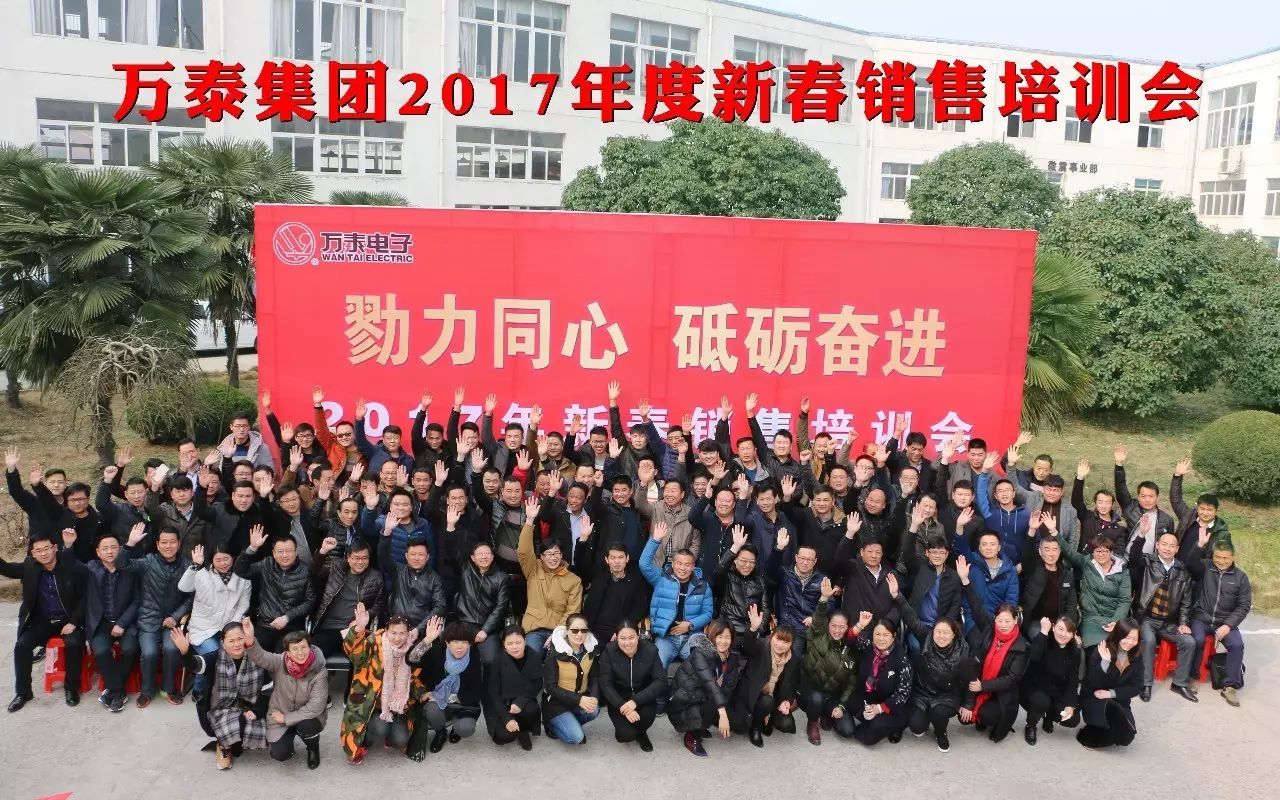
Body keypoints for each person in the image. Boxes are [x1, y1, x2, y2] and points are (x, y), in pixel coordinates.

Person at [62, 528, 139, 712]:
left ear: (120, 549)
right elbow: (70, 566)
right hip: (100, 623)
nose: (110, 551)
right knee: (102, 651)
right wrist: (68, 546)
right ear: (98, 552)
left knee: (130, 649)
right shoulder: (91, 568)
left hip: (125, 622)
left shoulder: (130, 569)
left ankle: (113, 691)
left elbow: (137, 601)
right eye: (105, 548)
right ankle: (118, 692)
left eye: (114, 547)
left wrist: (122, 623)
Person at [891, 573, 970, 753]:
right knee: (917, 727)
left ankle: (941, 733)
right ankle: (924, 717)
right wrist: (897, 596)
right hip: (923, 692)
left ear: (954, 635)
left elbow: (969, 679)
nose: (941, 636)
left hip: (947, 696)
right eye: (938, 632)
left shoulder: (962, 651)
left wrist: (968, 704)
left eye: (946, 633)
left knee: (938, 713)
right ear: (932, 632)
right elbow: (912, 619)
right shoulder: (926, 637)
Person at [172, 622, 268, 770]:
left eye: (240, 638)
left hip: (251, 706)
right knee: (235, 728)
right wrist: (185, 652)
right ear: (223, 643)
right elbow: (197, 664)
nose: (237, 644)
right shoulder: (216, 657)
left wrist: (257, 709)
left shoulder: (257, 655)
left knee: (267, 730)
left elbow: (269, 686)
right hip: (223, 709)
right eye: (231, 640)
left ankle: (235, 741)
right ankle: (223, 746)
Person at [956, 556, 1029, 744]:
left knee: (987, 716)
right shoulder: (990, 628)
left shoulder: (1021, 647)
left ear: (1015, 621)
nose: (1003, 625)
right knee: (963, 716)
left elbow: (1011, 679)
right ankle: (978, 710)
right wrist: (965, 580)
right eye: (999, 620)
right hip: (982, 684)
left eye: (1007, 621)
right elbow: (977, 606)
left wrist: (983, 686)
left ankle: (994, 721)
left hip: (1002, 694)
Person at [338, 606, 423, 764]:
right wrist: (359, 628)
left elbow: (414, 679)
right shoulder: (373, 643)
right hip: (369, 703)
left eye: (402, 633)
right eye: (393, 633)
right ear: (386, 630)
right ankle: (364, 744)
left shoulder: (410, 649)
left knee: (401, 740)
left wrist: (424, 694)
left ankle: (389, 735)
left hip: (395, 707)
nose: (397, 638)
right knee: (380, 727)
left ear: (408, 633)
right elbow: (354, 654)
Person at [119, 525, 192, 707]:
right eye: (164, 542)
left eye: (172, 542)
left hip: (172, 622)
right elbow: (122, 564)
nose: (168, 546)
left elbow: (192, 596)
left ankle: (169, 688)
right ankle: (147, 691)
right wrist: (129, 544)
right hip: (148, 620)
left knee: (171, 649)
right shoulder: (148, 562)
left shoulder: (187, 565)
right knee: (149, 653)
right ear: (158, 545)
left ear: (179, 543)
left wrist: (176, 616)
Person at [1128, 525, 1198, 703]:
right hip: (1147, 618)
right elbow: (1133, 557)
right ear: (1157, 545)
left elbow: (1186, 602)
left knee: (1189, 642)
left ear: (1177, 549)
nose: (1167, 548)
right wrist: (1141, 535)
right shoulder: (1147, 562)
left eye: (1172, 546)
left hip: (1169, 622)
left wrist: (1183, 623)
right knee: (1149, 640)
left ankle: (1179, 683)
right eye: (1164, 544)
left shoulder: (1183, 571)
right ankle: (1145, 683)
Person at [243, 621, 328, 768]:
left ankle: (313, 747)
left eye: (303, 647)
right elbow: (261, 656)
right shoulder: (279, 662)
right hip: (279, 714)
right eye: (295, 649)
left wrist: (286, 718)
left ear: (310, 648)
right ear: (288, 652)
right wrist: (250, 640)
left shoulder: (320, 671)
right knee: (280, 754)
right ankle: (288, 743)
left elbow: (316, 706)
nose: (300, 653)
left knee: (308, 725)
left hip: (306, 717)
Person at [178, 543, 250, 699]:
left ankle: (228, 692)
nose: (223, 563)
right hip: (203, 629)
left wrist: (231, 630)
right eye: (218, 560)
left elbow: (243, 606)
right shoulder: (202, 574)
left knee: (239, 651)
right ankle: (199, 691)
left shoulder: (243, 579)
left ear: (233, 558)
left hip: (229, 630)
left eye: (226, 559)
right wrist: (195, 565)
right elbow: (183, 587)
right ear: (211, 561)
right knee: (216, 656)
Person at [639, 524, 715, 668]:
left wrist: (690, 625)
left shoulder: (703, 585)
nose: (683, 568)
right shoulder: (661, 578)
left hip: (692, 637)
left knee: (704, 666)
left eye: (687, 564)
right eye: (679, 563)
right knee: (657, 667)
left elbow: (708, 614)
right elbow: (644, 564)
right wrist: (655, 540)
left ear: (693, 566)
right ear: (673, 564)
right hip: (665, 638)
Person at [1187, 539, 1251, 706]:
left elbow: (1244, 606)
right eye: (1217, 557)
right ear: (1212, 555)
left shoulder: (1241, 578)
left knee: (1237, 645)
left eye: (1225, 558)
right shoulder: (1205, 567)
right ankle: (1192, 676)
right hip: (1201, 617)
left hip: (1225, 622)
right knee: (1197, 640)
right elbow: (1190, 563)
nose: (1221, 561)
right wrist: (1199, 545)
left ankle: (1230, 686)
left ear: (1232, 557)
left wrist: (1228, 625)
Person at [667, 620, 745, 758]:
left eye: (727, 637)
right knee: (715, 704)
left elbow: (729, 686)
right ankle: (691, 736)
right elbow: (709, 682)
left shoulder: (732, 657)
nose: (723, 641)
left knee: (740, 724)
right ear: (712, 636)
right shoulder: (700, 653)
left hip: (706, 696)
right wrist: (722, 713)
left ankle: (702, 724)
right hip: (685, 699)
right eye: (719, 637)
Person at [234, 525, 316, 653]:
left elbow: (310, 601)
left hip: (291, 627)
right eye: (280, 551)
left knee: (282, 656)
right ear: (273, 553)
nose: (285, 555)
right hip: (265, 624)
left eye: (289, 551)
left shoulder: (305, 571)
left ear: (296, 552)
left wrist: (287, 617)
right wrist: (252, 548)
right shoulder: (267, 564)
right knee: (252, 651)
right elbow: (241, 571)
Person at [798, 578, 859, 745]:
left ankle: (826, 713)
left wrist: (841, 706)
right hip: (810, 692)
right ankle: (812, 723)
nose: (837, 630)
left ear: (848, 628)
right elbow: (818, 619)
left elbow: (851, 683)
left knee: (848, 731)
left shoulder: (851, 648)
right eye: (833, 625)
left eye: (842, 627)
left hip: (831, 696)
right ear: (828, 625)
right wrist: (824, 598)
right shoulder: (818, 635)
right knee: (817, 698)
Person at [517, 497, 583, 653]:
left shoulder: (574, 580)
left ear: (562, 555)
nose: (553, 558)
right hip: (534, 629)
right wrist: (529, 521)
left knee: (557, 657)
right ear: (541, 556)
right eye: (548, 554)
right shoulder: (533, 569)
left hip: (559, 630)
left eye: (556, 554)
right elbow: (523, 551)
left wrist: (558, 633)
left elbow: (572, 611)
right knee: (532, 655)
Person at [410, 619, 484, 754]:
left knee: (466, 729)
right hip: (437, 699)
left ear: (470, 644)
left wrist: (448, 698)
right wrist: (427, 640)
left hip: (462, 703)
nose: (460, 646)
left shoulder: (474, 657)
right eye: (455, 641)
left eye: (464, 642)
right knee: (431, 711)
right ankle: (440, 732)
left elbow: (476, 691)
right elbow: (412, 660)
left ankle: (456, 729)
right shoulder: (438, 651)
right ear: (447, 642)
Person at [1052, 524, 1131, 648]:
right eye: (1097, 551)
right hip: (1091, 618)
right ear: (1093, 553)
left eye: (1105, 551)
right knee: (1095, 649)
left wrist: (1116, 621)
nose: (1101, 554)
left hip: (1113, 618)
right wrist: (1054, 532)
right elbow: (1069, 552)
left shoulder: (1122, 571)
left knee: (1118, 647)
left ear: (1111, 552)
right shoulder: (1087, 563)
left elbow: (1124, 600)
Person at [734, 606, 801, 747]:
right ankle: (756, 727)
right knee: (742, 724)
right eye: (778, 639)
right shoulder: (761, 646)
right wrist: (753, 629)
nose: (780, 645)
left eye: (786, 642)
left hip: (774, 697)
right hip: (753, 693)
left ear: (791, 644)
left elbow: (791, 684)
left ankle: (767, 717)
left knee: (787, 724)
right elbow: (748, 647)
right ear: (772, 636)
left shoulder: (793, 658)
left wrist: (787, 701)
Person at [597, 620, 668, 750]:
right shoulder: (609, 651)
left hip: (643, 697)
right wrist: (622, 705)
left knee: (646, 717)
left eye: (631, 637)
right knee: (624, 736)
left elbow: (661, 680)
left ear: (638, 636)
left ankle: (642, 733)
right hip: (619, 700)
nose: (628, 643)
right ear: (616, 637)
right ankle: (631, 730)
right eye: (622, 638)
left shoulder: (650, 650)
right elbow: (605, 683)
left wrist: (635, 701)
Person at [575, 527, 651, 645]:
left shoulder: (636, 581)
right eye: (613, 558)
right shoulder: (599, 576)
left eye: (621, 557)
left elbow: (639, 609)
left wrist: (622, 630)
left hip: (620, 632)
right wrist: (583, 538)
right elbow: (580, 564)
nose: (617, 562)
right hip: (594, 631)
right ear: (607, 559)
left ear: (627, 558)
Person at [310, 538, 384, 658]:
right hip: (328, 627)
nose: (360, 562)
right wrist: (322, 552)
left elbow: (379, 604)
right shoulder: (336, 567)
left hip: (353, 629)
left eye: (364, 558)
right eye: (356, 558)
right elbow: (314, 572)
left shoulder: (375, 577)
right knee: (313, 656)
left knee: (361, 658)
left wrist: (363, 618)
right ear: (348, 558)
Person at [1077, 619, 1143, 749]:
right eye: (1127, 637)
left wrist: (1111, 693)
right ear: (1118, 634)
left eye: (1134, 639)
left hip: (1119, 700)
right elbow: (1093, 682)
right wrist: (1105, 662)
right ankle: (1090, 733)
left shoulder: (1136, 656)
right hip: (1094, 700)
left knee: (1127, 737)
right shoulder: (1102, 650)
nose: (1130, 642)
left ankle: (1106, 729)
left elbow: (1137, 686)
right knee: (1113, 711)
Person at [1020, 616, 1082, 745]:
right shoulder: (1044, 640)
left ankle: (1048, 716)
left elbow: (1073, 680)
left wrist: (1070, 705)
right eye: (1060, 629)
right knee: (1041, 701)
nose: (1063, 634)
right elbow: (1034, 656)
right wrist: (1043, 631)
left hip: (1057, 692)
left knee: (1073, 719)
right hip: (1036, 687)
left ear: (1073, 634)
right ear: (1053, 628)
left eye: (1068, 631)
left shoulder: (1074, 652)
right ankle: (1030, 725)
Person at [541, 613, 600, 745]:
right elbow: (550, 687)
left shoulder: (591, 649)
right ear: (567, 631)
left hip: (577, 698)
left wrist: (595, 696)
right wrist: (579, 700)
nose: (579, 634)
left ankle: (570, 723)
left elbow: (594, 676)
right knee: (576, 737)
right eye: (574, 630)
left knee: (594, 710)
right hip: (556, 702)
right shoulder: (555, 652)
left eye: (583, 630)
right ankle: (550, 725)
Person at [484, 626, 543, 749]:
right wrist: (507, 718)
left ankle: (523, 730)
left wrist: (520, 702)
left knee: (531, 709)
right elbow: (493, 692)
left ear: (525, 641)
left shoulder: (534, 656)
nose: (515, 647)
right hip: (502, 703)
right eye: (510, 643)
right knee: (502, 737)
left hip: (523, 699)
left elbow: (537, 684)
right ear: (504, 644)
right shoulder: (497, 661)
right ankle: (513, 725)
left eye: (518, 642)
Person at [769, 532, 824, 661]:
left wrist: (815, 617)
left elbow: (830, 603)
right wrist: (779, 548)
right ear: (796, 557)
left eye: (809, 560)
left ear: (815, 561)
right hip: (790, 625)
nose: (805, 562)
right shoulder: (785, 574)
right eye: (802, 558)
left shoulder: (821, 579)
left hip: (812, 627)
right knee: (793, 659)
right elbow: (771, 569)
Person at [454, 542, 510, 665]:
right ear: (473, 557)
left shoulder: (501, 577)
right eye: (480, 554)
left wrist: (485, 630)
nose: (484, 556)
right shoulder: (465, 569)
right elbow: (454, 551)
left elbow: (501, 607)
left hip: (488, 627)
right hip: (465, 624)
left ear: (492, 557)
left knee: (491, 660)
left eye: (487, 553)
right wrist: (451, 530)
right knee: (458, 657)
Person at [1113, 445, 1175, 553]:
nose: (1147, 500)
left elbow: (1169, 543)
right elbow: (1120, 487)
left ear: (1157, 497)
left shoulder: (1167, 520)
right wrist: (1119, 465)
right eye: (1143, 496)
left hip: (1151, 561)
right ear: (1138, 497)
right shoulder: (1131, 507)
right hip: (1127, 557)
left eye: (1151, 496)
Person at [1019, 525, 1079, 638]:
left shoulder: (1067, 575)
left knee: (1075, 644)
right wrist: (1032, 530)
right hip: (1036, 622)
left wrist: (1068, 627)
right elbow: (1026, 557)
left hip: (1059, 623)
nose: (1051, 554)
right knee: (1042, 639)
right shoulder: (1033, 568)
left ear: (1059, 551)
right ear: (1040, 551)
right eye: (1047, 549)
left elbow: (1071, 606)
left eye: (1055, 549)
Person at [715, 525, 772, 640]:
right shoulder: (727, 576)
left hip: (752, 632)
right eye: (743, 561)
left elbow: (765, 610)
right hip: (730, 632)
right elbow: (719, 570)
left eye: (752, 562)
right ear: (735, 560)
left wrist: (758, 631)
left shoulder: (760, 581)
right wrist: (735, 547)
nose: (748, 565)